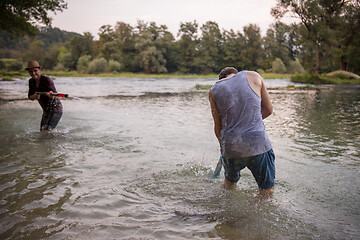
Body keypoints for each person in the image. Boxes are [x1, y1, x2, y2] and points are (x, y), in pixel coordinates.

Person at [209, 67, 275, 194]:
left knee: (229, 185)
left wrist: (224, 149)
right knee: (266, 190)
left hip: (230, 146)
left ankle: (228, 210)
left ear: (221, 79)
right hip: (257, 144)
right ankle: (253, 212)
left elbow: (218, 128)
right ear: (235, 74)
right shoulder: (253, 76)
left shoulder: (213, 90)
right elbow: (268, 109)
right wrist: (249, 120)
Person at [27, 61, 63, 132]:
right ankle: (60, 136)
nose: (33, 73)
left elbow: (55, 96)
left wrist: (50, 95)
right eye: (31, 71)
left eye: (35, 71)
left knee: (46, 131)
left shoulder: (47, 80)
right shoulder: (31, 81)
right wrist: (34, 96)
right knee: (42, 132)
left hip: (56, 110)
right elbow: (30, 97)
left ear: (40, 70)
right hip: (46, 111)